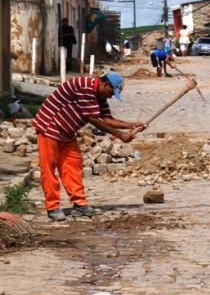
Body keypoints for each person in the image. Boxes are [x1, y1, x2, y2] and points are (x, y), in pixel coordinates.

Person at [32, 73, 146, 222]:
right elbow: (92, 119)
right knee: (49, 168)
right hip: (49, 127)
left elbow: (107, 119)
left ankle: (79, 205)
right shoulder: (85, 86)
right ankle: (52, 207)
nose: (111, 97)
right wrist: (120, 135)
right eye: (112, 92)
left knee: (73, 166)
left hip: (67, 131)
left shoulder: (100, 96)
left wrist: (131, 125)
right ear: (105, 85)